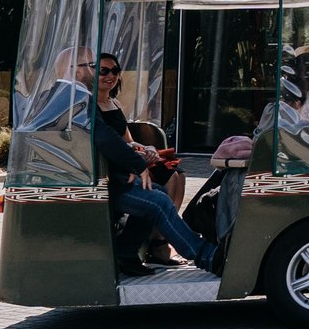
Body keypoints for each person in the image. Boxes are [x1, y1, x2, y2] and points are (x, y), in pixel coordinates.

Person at [89, 51, 217, 273]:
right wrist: (136, 163)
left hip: (124, 173)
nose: (110, 75)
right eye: (103, 71)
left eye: (115, 71)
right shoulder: (88, 107)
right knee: (157, 199)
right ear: (90, 73)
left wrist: (145, 150)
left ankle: (130, 251)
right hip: (111, 180)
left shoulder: (113, 103)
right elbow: (106, 143)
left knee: (169, 181)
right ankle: (203, 254)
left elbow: (126, 141)